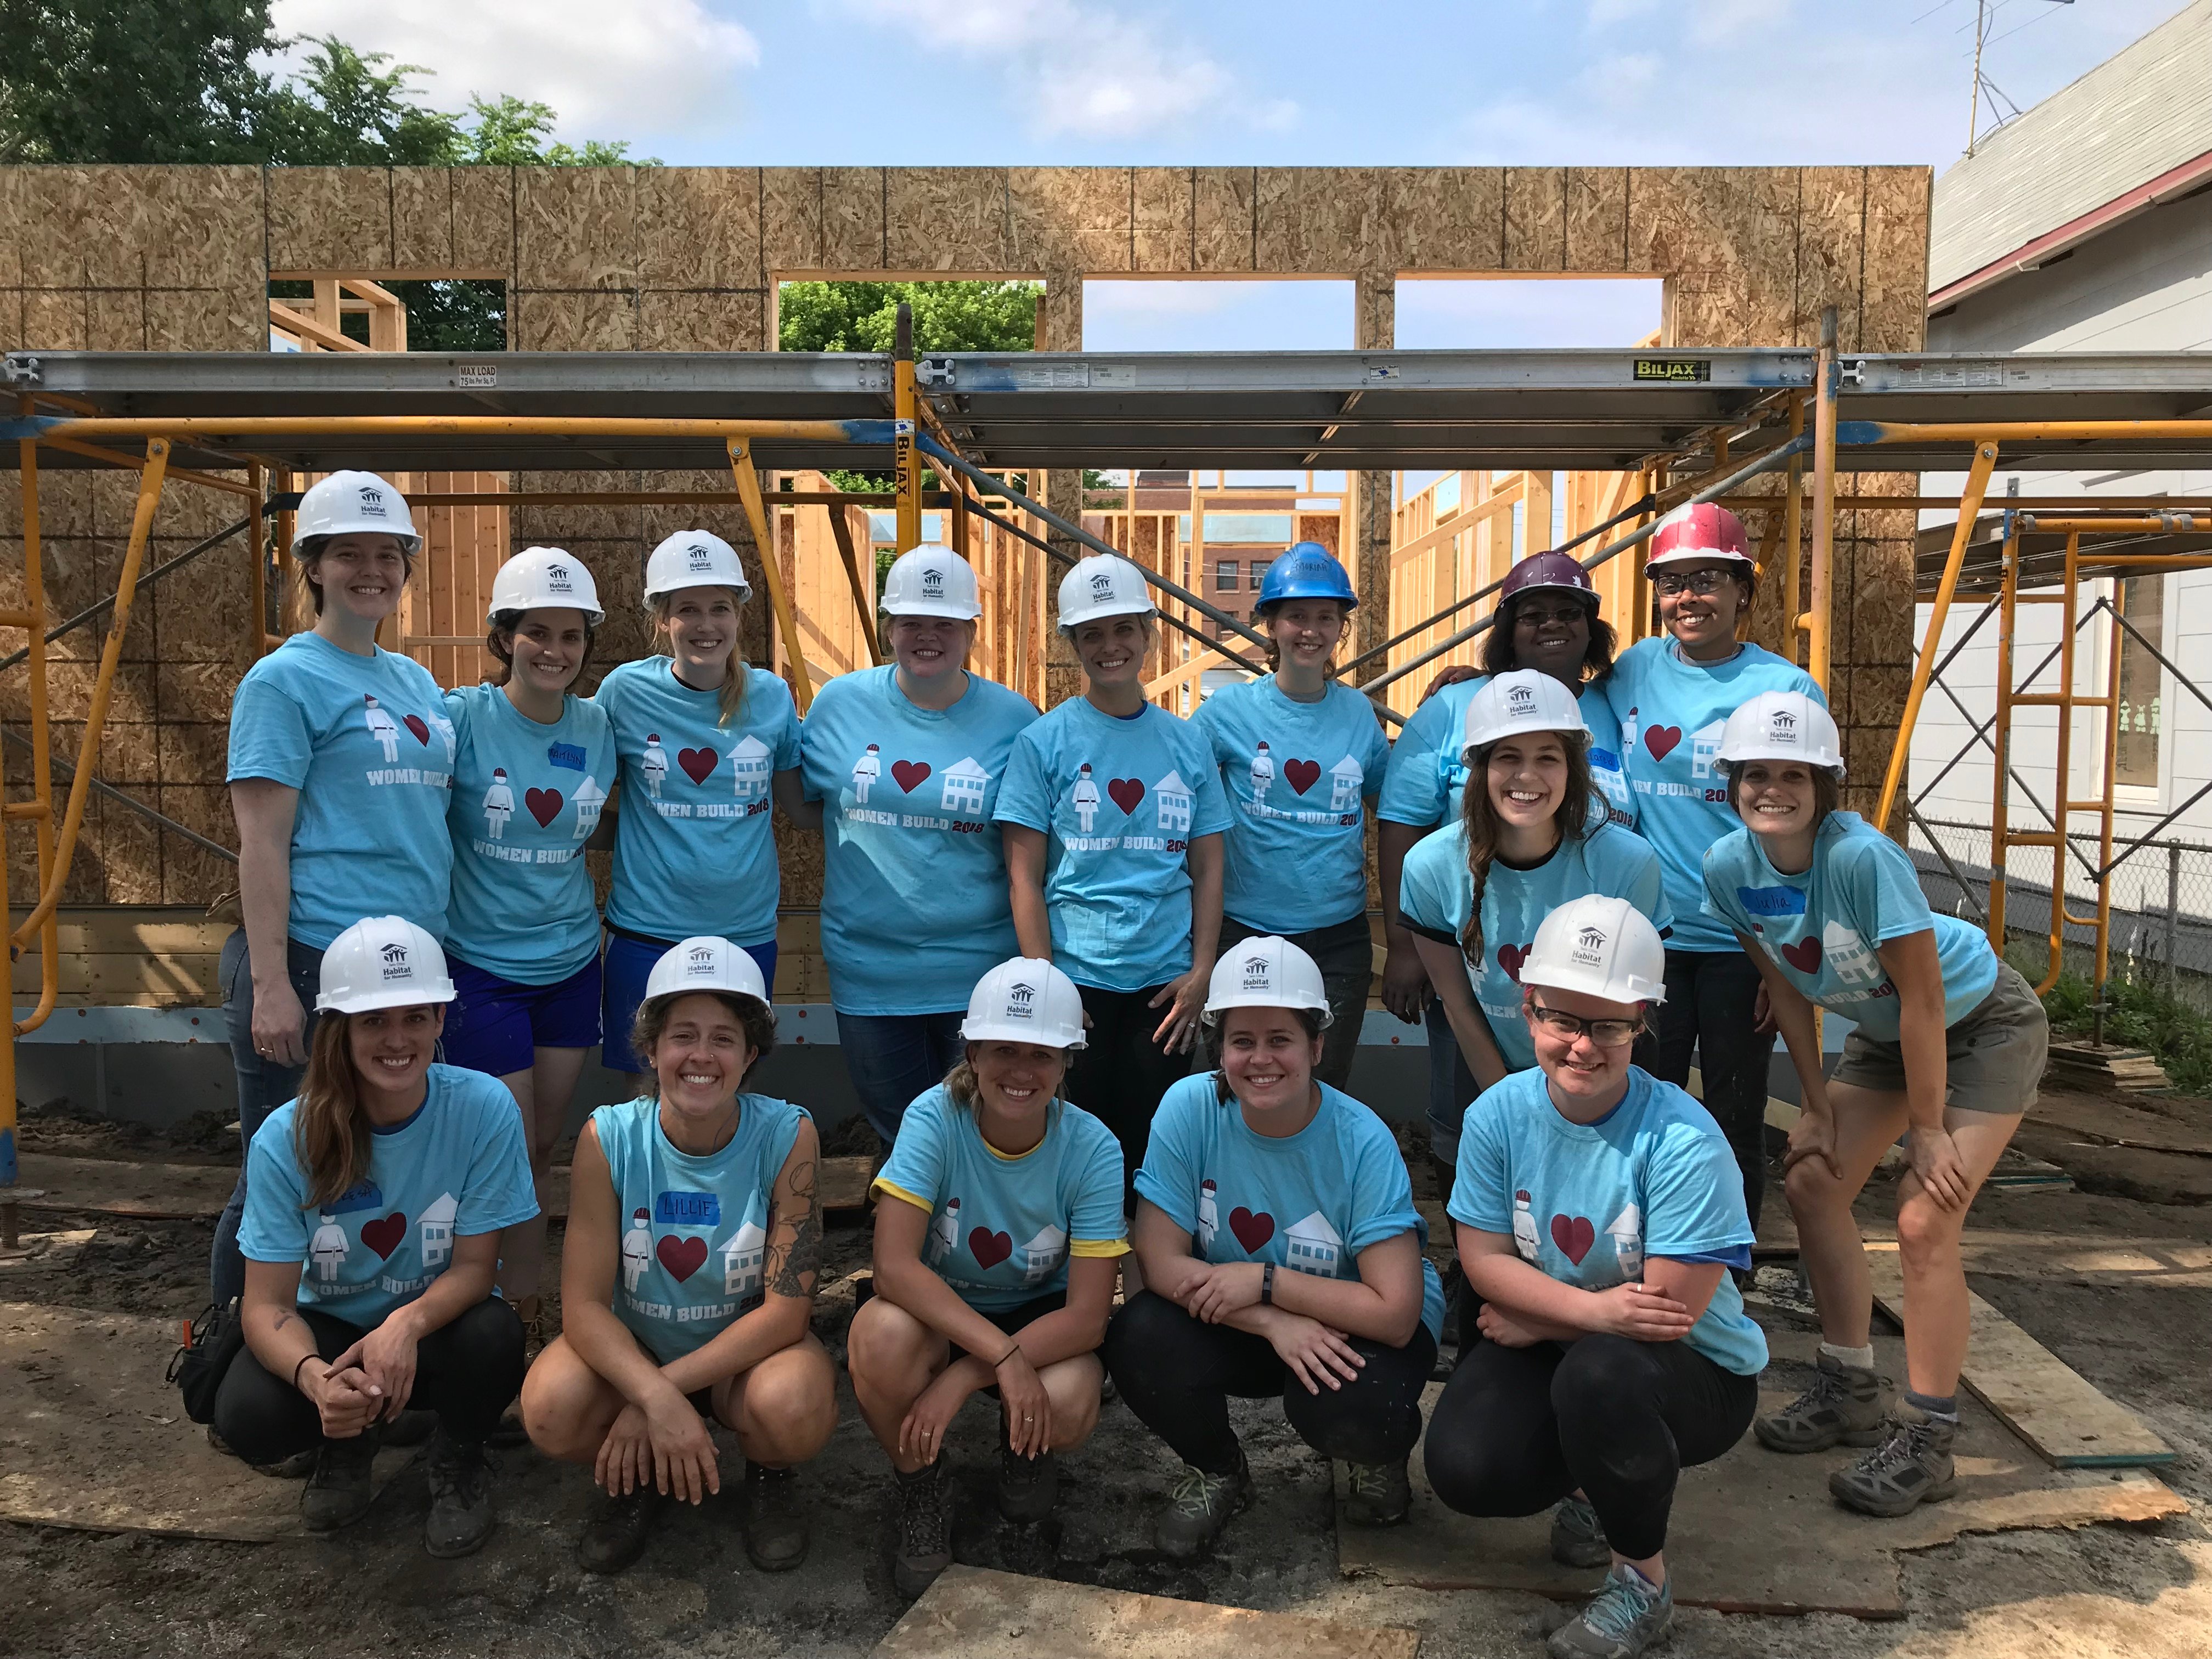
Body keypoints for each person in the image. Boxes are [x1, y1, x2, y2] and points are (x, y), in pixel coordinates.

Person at [1703, 693, 2049, 1517]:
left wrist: (1928, 1131)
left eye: (1794, 774)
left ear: (1826, 785)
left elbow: (1927, 999)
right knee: (1815, 1180)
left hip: (1980, 1023)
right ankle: (1849, 1387)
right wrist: (1816, 1105)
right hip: (1885, 1034)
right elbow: (1785, 982)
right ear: (1733, 783)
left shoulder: (1862, 859)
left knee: (1926, 1216)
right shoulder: (1728, 867)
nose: (1773, 789)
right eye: (1756, 774)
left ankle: (1930, 1439)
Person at [1422, 897, 1767, 1659]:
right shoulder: (1498, 1116)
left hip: (1689, 1375)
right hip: (1588, 1345)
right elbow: (1482, 1262)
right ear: (1529, 1008)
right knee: (1467, 1468)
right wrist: (1590, 1313)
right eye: (1562, 1020)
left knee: (1603, 1377)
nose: (1582, 1045)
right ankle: (1592, 1485)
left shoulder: (1681, 1137)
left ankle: (1642, 1583)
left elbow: (1667, 1313)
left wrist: (1548, 1319)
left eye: (1609, 1024)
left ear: (1643, 1020)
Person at [1106, 936, 1445, 1559]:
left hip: (1360, 1327)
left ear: (1317, 1046)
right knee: (1138, 1335)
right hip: (1243, 1315)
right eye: (1242, 1041)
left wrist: (1267, 1282)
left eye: (1280, 1040)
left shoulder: (1360, 1139)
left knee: (1354, 1408)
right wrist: (1270, 1319)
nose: (1261, 1060)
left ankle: (1377, 1456)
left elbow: (1395, 1313)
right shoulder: (1189, 1109)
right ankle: (1220, 1471)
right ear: (1220, 1048)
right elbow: (1157, 1261)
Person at [211, 917, 537, 1558]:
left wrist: (404, 1327)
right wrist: (314, 1379)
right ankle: (346, 1439)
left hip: (436, 1326)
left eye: (416, 1018)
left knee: (497, 1337)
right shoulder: (288, 1135)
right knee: (249, 1413)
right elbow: (267, 1305)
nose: (398, 1039)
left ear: (441, 1021)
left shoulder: (484, 1108)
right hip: (329, 1327)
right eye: (374, 1021)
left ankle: (456, 1453)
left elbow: (476, 1270)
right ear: (339, 1029)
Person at [520, 936, 835, 1573]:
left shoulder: (788, 1133)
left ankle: (769, 1474)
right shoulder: (608, 1137)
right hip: (637, 1351)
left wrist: (656, 1399)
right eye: (682, 1034)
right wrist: (651, 1392)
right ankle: (640, 1476)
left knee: (795, 1406)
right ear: (651, 1049)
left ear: (750, 1055)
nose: (701, 1056)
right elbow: (581, 1306)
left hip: (743, 1358)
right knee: (551, 1408)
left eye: (724, 1038)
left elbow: (786, 1314)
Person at [217, 471, 453, 1306]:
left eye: (386, 555)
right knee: (282, 1173)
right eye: (347, 554)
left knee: (383, 1179)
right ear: (310, 566)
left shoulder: (417, 684)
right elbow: (263, 844)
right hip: (316, 958)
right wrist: (274, 985)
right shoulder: (284, 682)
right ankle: (236, 1365)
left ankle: (365, 1356)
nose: (371, 570)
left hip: (409, 965)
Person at [847, 957, 1126, 1598]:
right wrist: (995, 1354)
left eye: (1042, 1054)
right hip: (939, 1310)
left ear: (1067, 1063)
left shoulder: (1094, 1148)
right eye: (1003, 1049)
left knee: (1071, 1402)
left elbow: (1086, 1316)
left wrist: (972, 1373)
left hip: (1040, 1317)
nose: (1022, 1071)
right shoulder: (933, 1118)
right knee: (878, 1339)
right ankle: (921, 1481)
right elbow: (893, 1266)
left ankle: (1021, 1445)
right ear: (972, 1052)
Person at [1603, 502, 1824, 1232]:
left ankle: (1728, 1264)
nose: (1687, 597)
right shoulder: (1634, 670)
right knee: (1639, 1102)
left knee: (1735, 1108)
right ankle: (1639, 1245)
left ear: (1742, 590)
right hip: (1652, 938)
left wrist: (1788, 960)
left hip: (1745, 945)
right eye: (1671, 582)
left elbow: (1810, 832)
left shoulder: (1786, 691)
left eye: (1706, 579)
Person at [1377, 553, 1630, 1182]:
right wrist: (1406, 947)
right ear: (1506, 630)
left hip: (1588, 957)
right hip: (1473, 942)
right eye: (1532, 614)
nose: (1551, 625)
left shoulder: (1619, 703)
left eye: (1568, 613)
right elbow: (1402, 820)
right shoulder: (1455, 705)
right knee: (1471, 1119)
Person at [998, 554, 1232, 1190]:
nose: (1111, 647)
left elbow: (1209, 866)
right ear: (1073, 643)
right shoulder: (1043, 744)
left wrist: (1202, 968)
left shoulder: (1187, 743)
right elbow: (1024, 877)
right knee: (1074, 1139)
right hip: (1077, 983)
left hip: (1164, 987)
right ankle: (1079, 1265)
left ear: (1149, 635)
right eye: (1093, 634)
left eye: (1125, 629)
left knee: (1150, 1143)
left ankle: (1142, 1269)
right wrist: (1046, 982)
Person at [798, 544, 1040, 1144]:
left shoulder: (1016, 720)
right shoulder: (839, 706)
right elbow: (803, 805)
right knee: (902, 1137)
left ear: (970, 631)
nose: (927, 636)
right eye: (912, 622)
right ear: (888, 628)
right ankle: (904, 1240)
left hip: (980, 972)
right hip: (870, 971)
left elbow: (1031, 853)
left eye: (945, 624)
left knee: (984, 1136)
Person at [439, 548, 617, 1327]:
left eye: (571, 636)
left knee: (540, 1146)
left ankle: (514, 1300)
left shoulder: (598, 725)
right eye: (535, 632)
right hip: (481, 967)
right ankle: (497, 1310)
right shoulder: (463, 720)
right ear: (504, 636)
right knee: (502, 1151)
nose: (554, 651)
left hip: (571, 964)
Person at [1399, 671, 1669, 1098]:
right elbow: (1459, 1003)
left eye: (1547, 758)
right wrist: (1507, 1109)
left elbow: (1628, 1011)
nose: (1527, 776)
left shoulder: (1627, 863)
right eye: (1508, 757)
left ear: (1572, 768)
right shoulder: (1429, 867)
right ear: (1480, 766)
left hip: (1598, 1072)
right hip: (1490, 1068)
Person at [595, 531, 804, 1077]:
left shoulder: (771, 697)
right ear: (663, 619)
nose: (706, 625)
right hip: (647, 931)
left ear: (739, 617)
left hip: (745, 932)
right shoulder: (625, 693)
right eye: (688, 609)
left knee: (726, 1087)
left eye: (720, 609)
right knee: (644, 1103)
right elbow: (580, 791)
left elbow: (798, 806)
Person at [1192, 542, 1389, 1089]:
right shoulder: (1227, 714)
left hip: (1336, 939)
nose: (1311, 631)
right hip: (1242, 931)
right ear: (1272, 625)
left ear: (1340, 628)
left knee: (1322, 1091)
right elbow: (1184, 810)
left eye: (1326, 618)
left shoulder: (1355, 713)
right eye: (1296, 616)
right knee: (1238, 1088)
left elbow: (1393, 810)